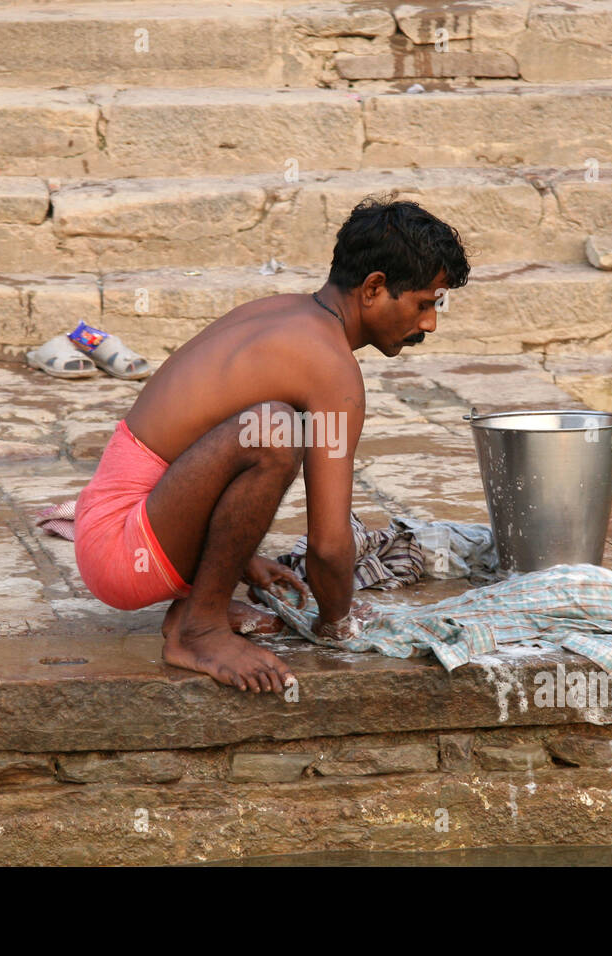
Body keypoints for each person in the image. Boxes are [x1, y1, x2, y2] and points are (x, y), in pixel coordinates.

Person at [73, 197, 470, 692]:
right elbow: (327, 545)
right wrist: (338, 620)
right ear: (374, 288)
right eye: (424, 304)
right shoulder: (329, 366)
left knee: (275, 427)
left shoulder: (283, 311)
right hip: (123, 548)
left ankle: (196, 606)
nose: (429, 324)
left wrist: (239, 559)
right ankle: (199, 631)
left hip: (118, 528)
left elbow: (195, 453)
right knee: (274, 431)